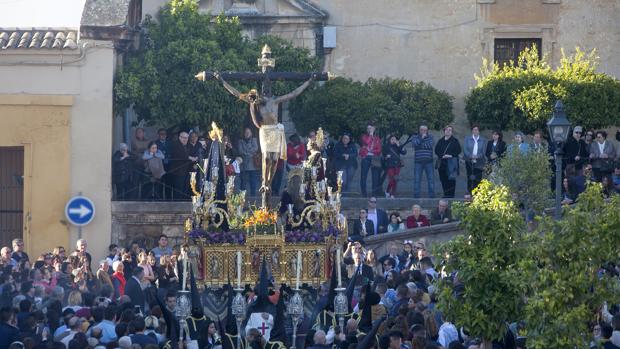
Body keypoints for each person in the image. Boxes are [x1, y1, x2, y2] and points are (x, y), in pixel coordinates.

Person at [434, 126, 461, 198]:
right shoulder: (441, 141)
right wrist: (442, 155)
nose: (448, 131)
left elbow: (458, 151)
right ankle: (446, 195)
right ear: (444, 131)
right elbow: (436, 150)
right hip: (442, 164)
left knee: (451, 180)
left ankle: (451, 196)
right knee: (443, 180)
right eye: (446, 130)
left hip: (451, 163)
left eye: (450, 130)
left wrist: (450, 155)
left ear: (452, 132)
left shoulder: (455, 141)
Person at [359, 124, 383, 197]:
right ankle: (364, 194)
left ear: (374, 129)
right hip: (366, 157)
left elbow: (379, 150)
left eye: (371, 128)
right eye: (368, 128)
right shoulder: (364, 137)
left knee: (375, 177)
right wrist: (370, 136)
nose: (369, 130)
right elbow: (366, 142)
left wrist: (371, 150)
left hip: (374, 158)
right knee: (363, 176)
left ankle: (374, 194)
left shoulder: (377, 138)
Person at [412, 125, 435, 198]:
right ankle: (416, 196)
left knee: (431, 179)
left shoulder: (431, 137)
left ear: (427, 130)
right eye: (422, 130)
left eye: (425, 130)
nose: (423, 131)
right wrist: (421, 139)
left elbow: (430, 145)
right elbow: (414, 144)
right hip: (418, 162)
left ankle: (431, 195)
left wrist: (419, 144)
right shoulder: (415, 137)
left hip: (429, 162)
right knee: (417, 179)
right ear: (419, 130)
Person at [169, 131, 194, 200]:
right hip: (178, 171)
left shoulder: (188, 145)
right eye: (184, 138)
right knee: (178, 189)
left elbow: (192, 154)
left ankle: (183, 201)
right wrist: (189, 157)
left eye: (187, 138)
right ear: (180, 137)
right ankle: (177, 203)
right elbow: (178, 154)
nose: (185, 139)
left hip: (187, 170)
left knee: (185, 188)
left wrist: (194, 157)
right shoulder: (175, 145)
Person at [463, 125, 486, 194]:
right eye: (474, 130)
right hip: (469, 161)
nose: (475, 131)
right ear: (472, 131)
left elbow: (483, 151)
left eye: (477, 130)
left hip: (479, 161)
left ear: (479, 131)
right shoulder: (467, 139)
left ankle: (477, 193)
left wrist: (477, 156)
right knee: (470, 177)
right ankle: (470, 192)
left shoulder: (483, 140)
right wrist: (470, 156)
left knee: (478, 177)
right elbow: (465, 149)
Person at [238, 127, 260, 197]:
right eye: (246, 132)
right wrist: (250, 153)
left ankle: (253, 196)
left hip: (252, 164)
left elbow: (255, 148)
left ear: (251, 133)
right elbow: (240, 151)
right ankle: (242, 196)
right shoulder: (240, 141)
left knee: (253, 181)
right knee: (243, 182)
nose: (247, 134)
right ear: (244, 134)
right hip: (243, 164)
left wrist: (246, 152)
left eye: (248, 132)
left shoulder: (254, 140)